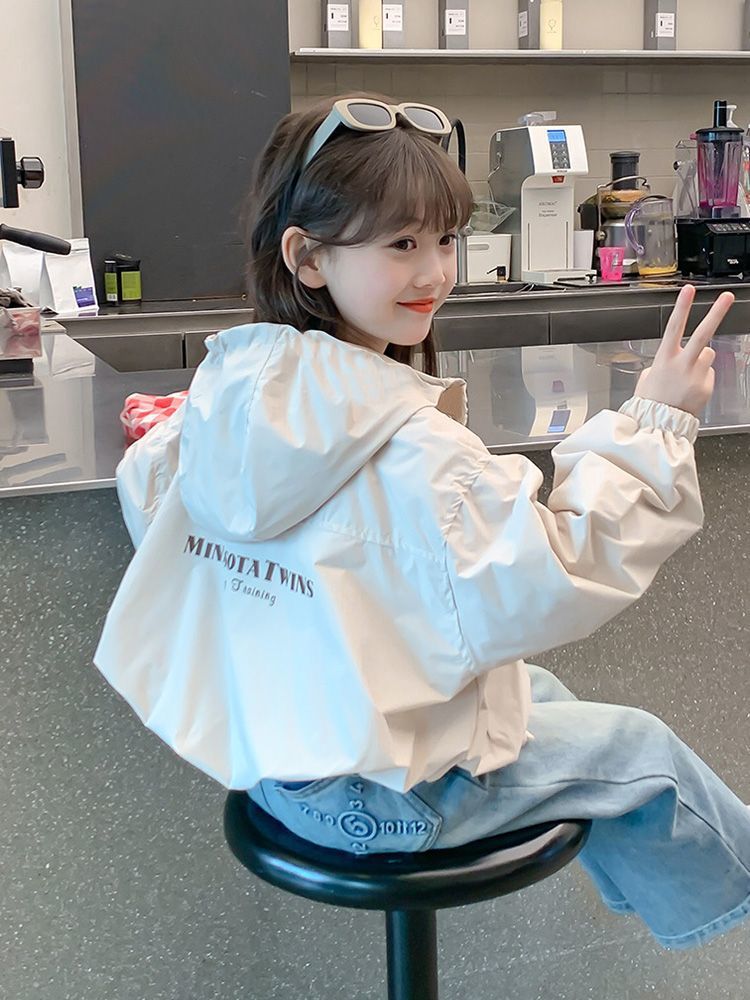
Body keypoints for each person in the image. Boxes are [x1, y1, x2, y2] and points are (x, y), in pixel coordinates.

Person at [94, 95, 749, 952]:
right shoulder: (416, 451)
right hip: (383, 800)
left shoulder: (227, 395)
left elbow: (151, 488)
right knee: (644, 753)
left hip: (274, 764)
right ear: (308, 257)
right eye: (400, 244)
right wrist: (657, 421)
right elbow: (564, 568)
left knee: (539, 694)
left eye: (445, 239)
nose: (436, 272)